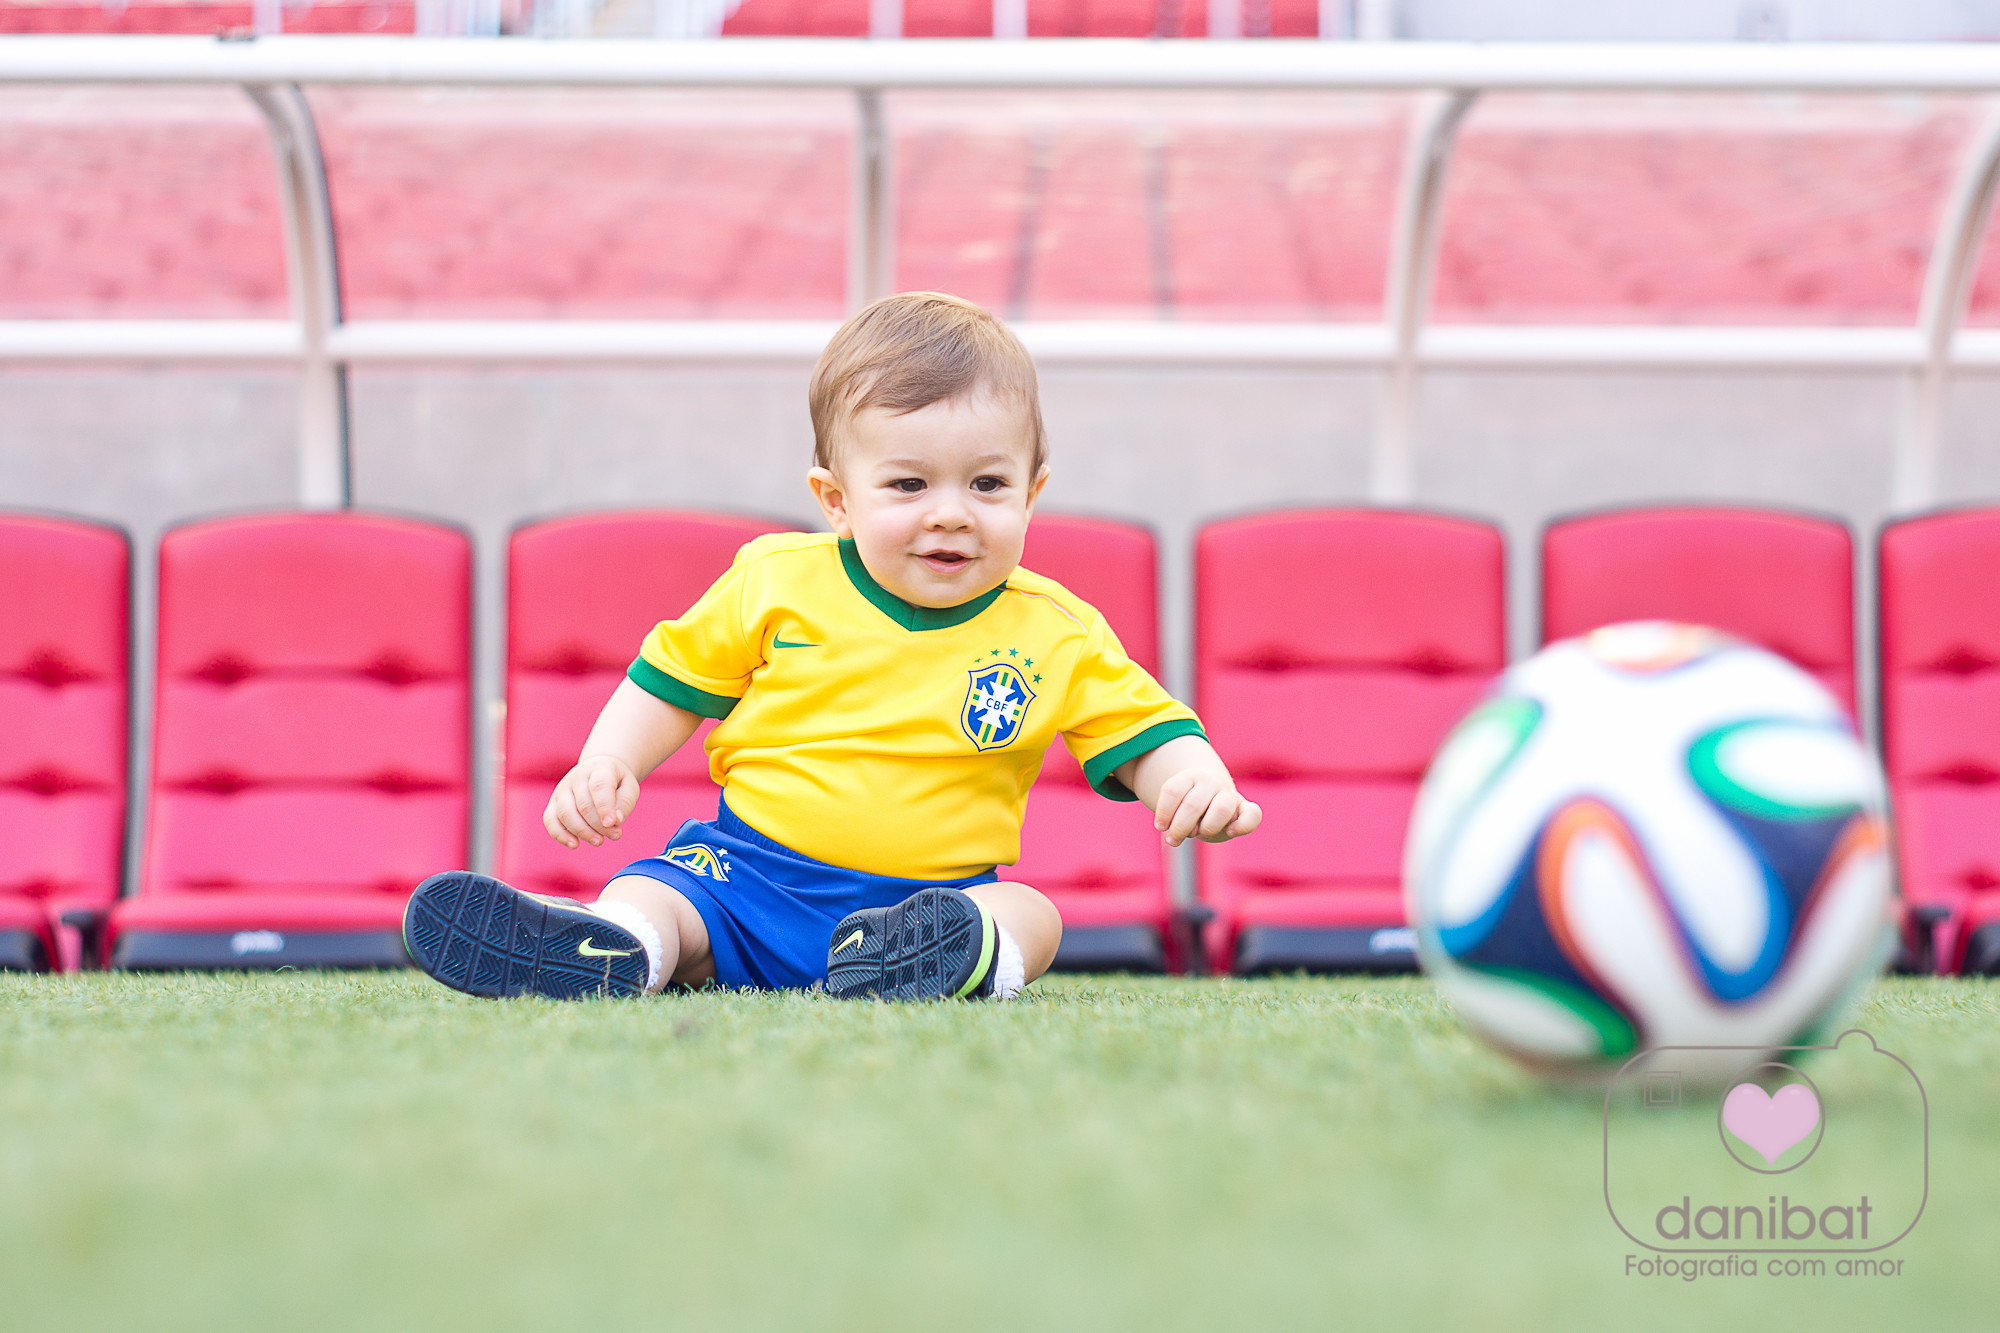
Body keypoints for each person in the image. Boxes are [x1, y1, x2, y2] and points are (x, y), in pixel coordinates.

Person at [403, 292, 1261, 1002]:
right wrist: (607, 760)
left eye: (989, 483)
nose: (952, 512)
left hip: (933, 902)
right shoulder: (775, 580)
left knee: (1033, 916)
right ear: (836, 499)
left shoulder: (1056, 630)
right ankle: (617, 947)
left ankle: (944, 962)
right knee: (656, 890)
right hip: (744, 877)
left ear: (1032, 493)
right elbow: (669, 680)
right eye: (909, 484)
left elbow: (1146, 730)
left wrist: (1193, 778)